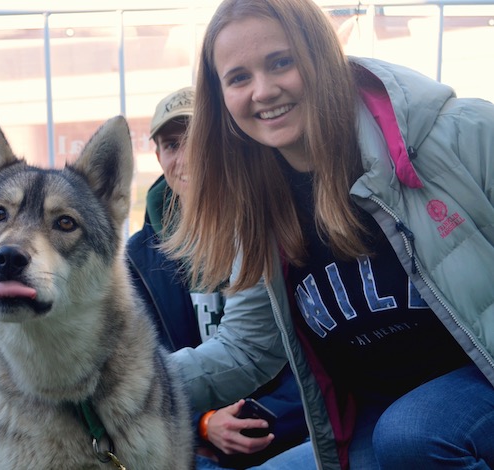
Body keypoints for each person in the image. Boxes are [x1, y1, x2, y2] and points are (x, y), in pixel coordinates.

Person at [164, 0, 494, 468]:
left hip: (461, 400)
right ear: (220, 99)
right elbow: (247, 349)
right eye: (238, 78)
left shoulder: (460, 134)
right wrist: (116, 383)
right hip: (375, 425)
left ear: (319, 56)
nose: (263, 90)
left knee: (412, 434)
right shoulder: (258, 210)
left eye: (282, 62)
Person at [126, 86, 310, 469]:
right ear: (158, 156)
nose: (187, 156)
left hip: (291, 429)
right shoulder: (137, 259)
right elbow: (145, 361)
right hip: (193, 442)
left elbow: (313, 350)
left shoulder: (282, 224)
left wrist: (256, 419)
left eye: (199, 139)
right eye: (173, 145)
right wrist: (204, 424)